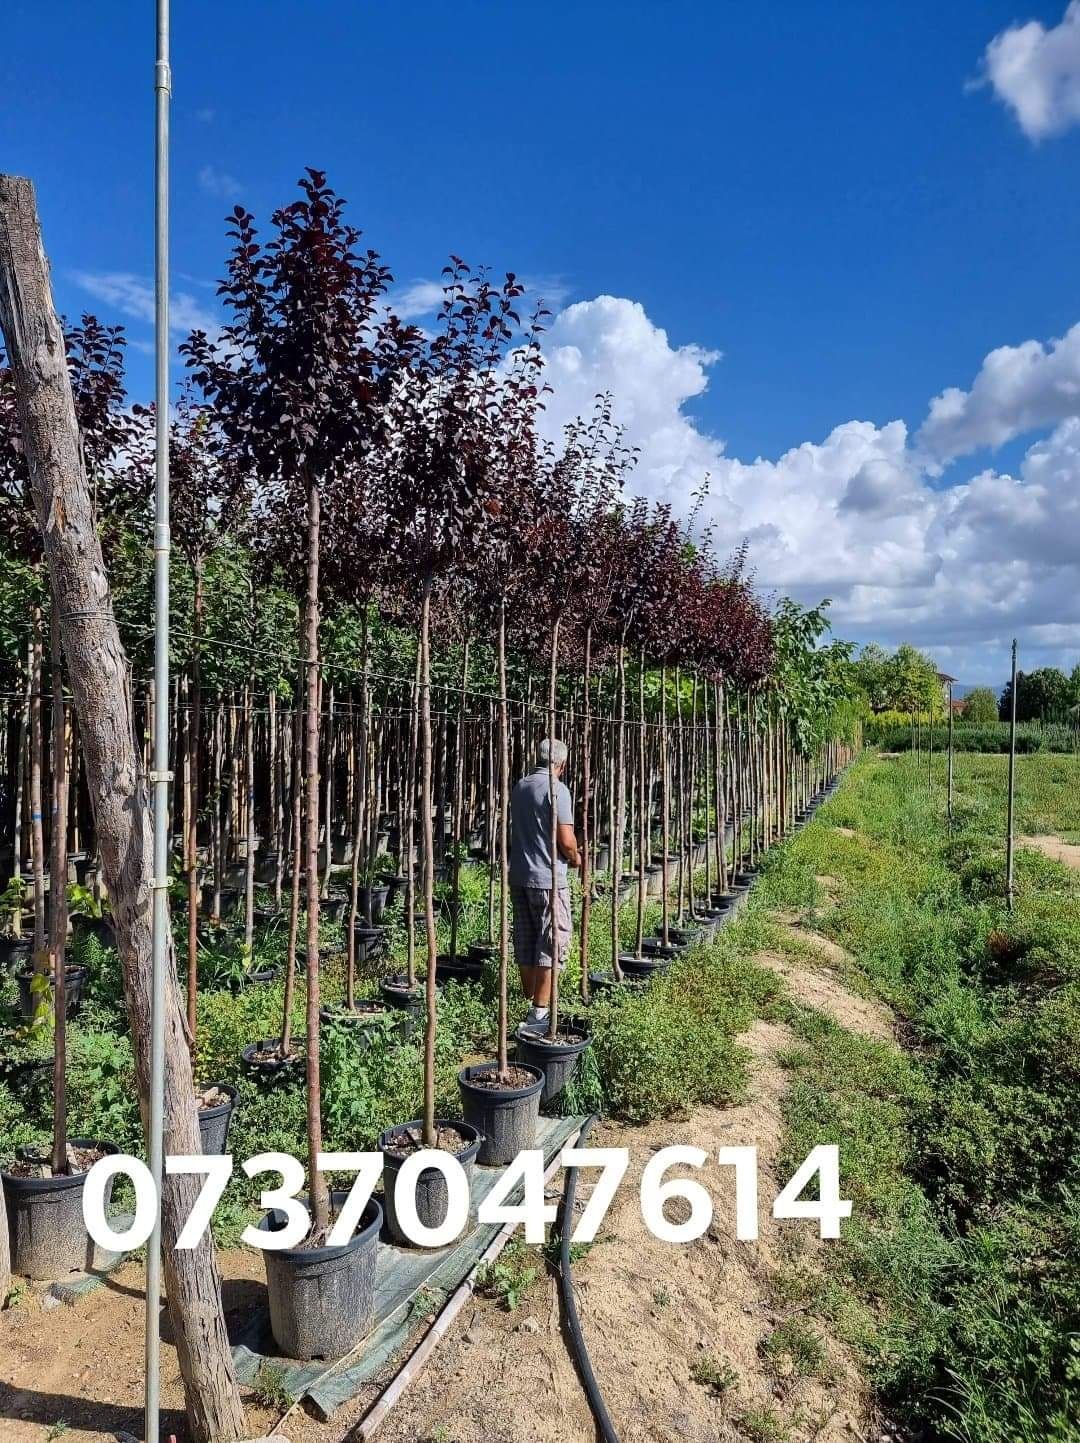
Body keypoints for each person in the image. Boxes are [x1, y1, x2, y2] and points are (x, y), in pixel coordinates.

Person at [509, 737, 581, 1037]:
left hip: (520, 875)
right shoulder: (558, 789)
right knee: (553, 940)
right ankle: (539, 1014)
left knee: (527, 939)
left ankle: (531, 1003)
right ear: (560, 765)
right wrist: (576, 857)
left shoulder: (520, 787)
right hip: (548, 879)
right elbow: (565, 839)